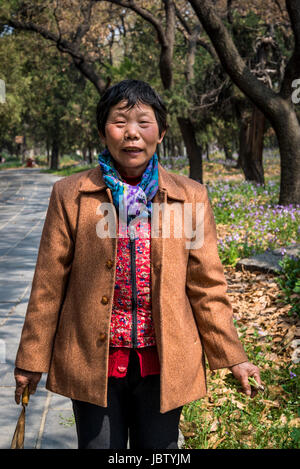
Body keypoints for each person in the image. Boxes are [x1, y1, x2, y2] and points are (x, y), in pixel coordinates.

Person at [14, 79, 261, 449]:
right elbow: (49, 283)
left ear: (160, 132)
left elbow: (206, 285)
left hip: (164, 362)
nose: (132, 133)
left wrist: (233, 357)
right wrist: (31, 358)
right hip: (91, 358)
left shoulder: (188, 197)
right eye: (119, 122)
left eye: (143, 123)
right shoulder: (70, 195)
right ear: (103, 132)